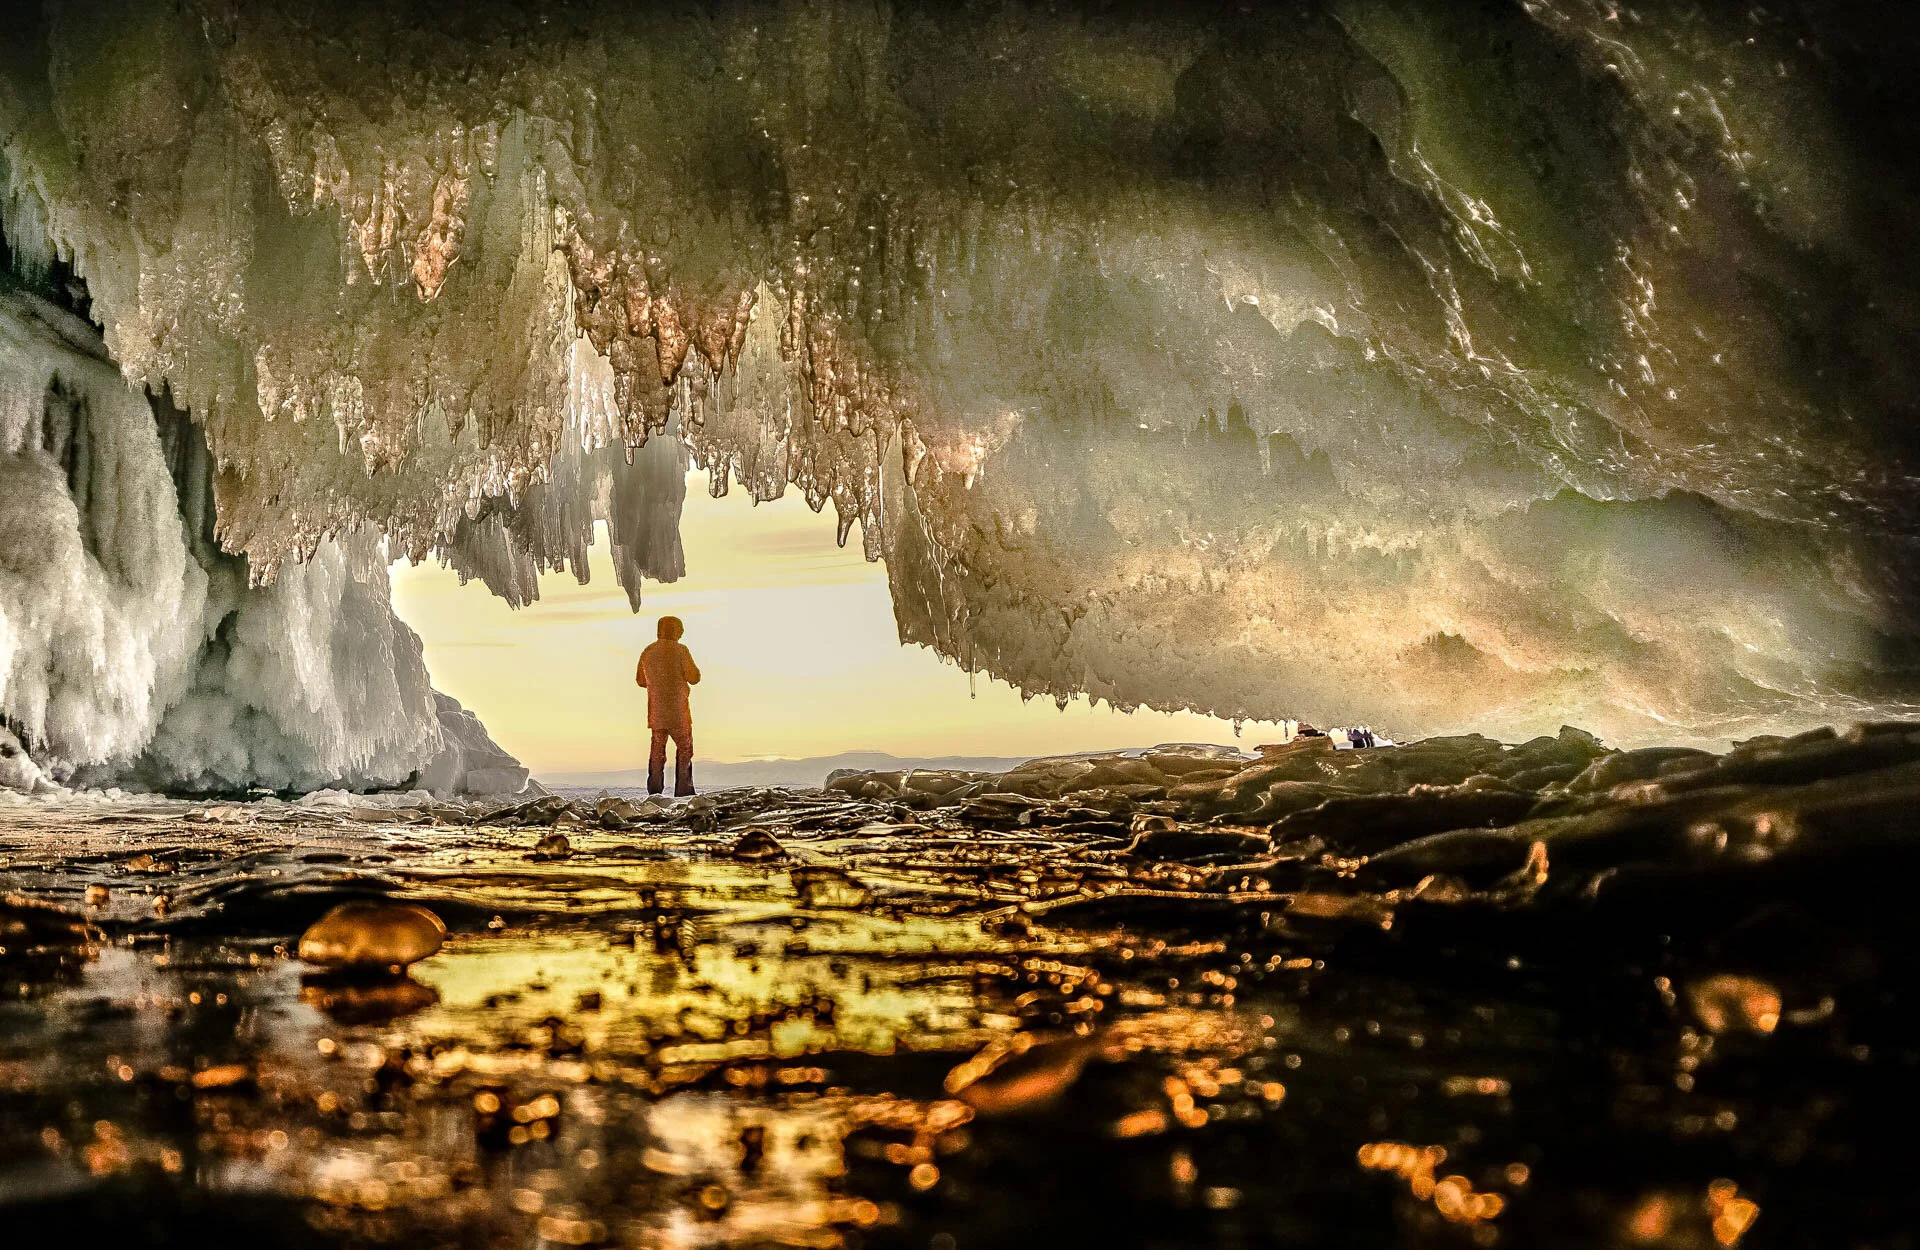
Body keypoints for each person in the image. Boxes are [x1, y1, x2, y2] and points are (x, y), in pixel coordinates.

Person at [636, 616, 701, 796]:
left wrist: (657, 682)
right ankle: (684, 791)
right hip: (679, 711)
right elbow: (694, 677)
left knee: (657, 752)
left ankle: (655, 792)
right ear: (675, 631)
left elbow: (640, 680)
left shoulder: (648, 652)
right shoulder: (680, 650)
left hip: (656, 711)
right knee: (685, 750)